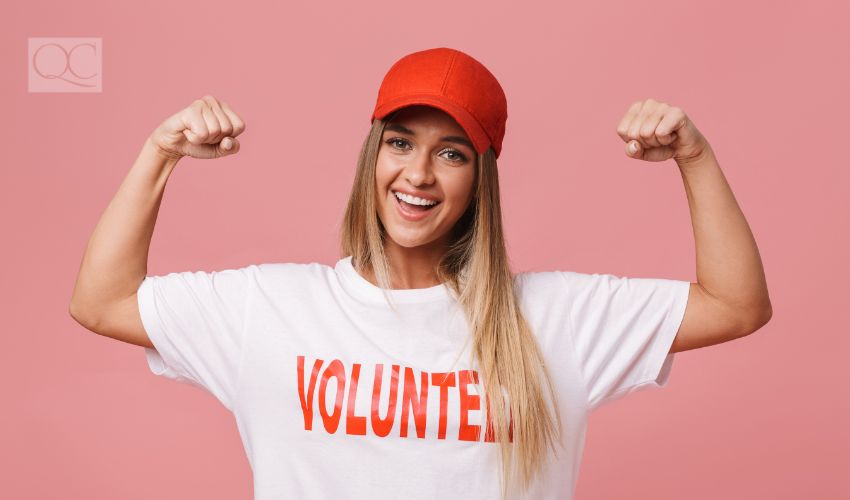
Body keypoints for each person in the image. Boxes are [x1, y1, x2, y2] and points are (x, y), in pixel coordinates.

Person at [69, 47, 772, 500]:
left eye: (453, 152)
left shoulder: (554, 319)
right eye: (401, 143)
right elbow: (100, 301)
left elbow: (737, 305)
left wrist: (695, 156)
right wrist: (161, 152)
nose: (419, 174)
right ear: (373, 155)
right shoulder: (271, 308)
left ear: (482, 178)